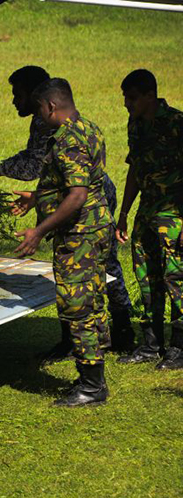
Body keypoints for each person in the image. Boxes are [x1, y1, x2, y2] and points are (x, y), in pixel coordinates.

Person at [0, 66, 134, 359]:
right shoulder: (78, 124)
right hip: (80, 200)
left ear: (44, 102)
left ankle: (114, 333)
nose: (13, 101)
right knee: (86, 279)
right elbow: (54, 173)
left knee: (86, 277)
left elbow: (46, 173)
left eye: (17, 94)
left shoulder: (57, 127)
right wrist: (38, 196)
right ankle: (95, 339)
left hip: (83, 209)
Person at [12, 79, 113, 407]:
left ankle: (91, 385)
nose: (39, 116)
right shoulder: (88, 127)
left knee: (77, 304)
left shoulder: (67, 138)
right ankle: (94, 373)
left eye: (40, 110)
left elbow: (77, 195)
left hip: (79, 235)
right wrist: (37, 197)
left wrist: (39, 230)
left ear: (51, 106)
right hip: (96, 230)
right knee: (94, 300)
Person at [116, 69, 183, 369]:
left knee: (176, 277)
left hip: (175, 214)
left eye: (131, 98)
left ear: (149, 96)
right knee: (146, 277)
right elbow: (135, 168)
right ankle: (151, 344)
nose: (126, 104)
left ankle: (179, 347)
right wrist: (124, 213)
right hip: (147, 211)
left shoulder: (177, 124)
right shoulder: (136, 125)